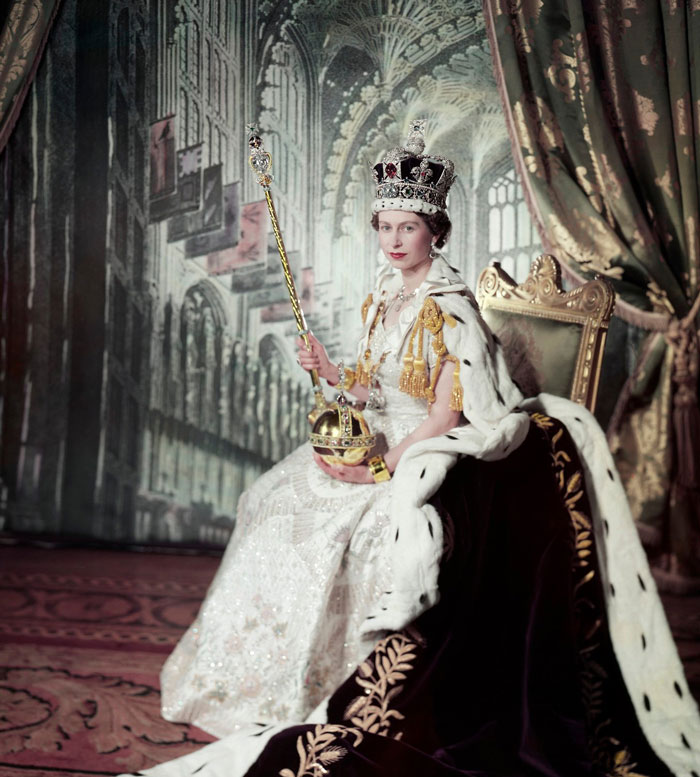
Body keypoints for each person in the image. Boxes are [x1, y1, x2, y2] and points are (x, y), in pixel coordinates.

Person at [136, 122, 700, 777]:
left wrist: (376, 465)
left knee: (349, 528)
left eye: (407, 228)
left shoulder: (451, 306)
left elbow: (444, 413)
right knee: (268, 497)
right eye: (384, 227)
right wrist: (328, 369)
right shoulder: (382, 296)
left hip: (430, 450)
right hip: (378, 432)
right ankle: (247, 685)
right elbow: (369, 383)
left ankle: (327, 693)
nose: (394, 241)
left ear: (436, 230)